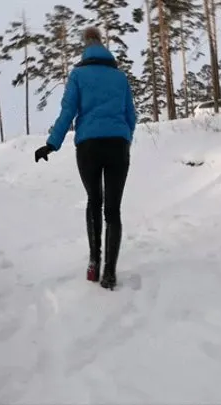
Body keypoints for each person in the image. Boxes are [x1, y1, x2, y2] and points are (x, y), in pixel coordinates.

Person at [34, 27, 136, 290]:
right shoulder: (120, 77)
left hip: (89, 146)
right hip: (117, 145)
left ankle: (94, 261)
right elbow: (130, 116)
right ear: (103, 45)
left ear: (85, 47)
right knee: (112, 210)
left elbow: (68, 111)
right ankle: (110, 273)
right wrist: (125, 140)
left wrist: (51, 144)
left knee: (94, 200)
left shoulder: (78, 74)